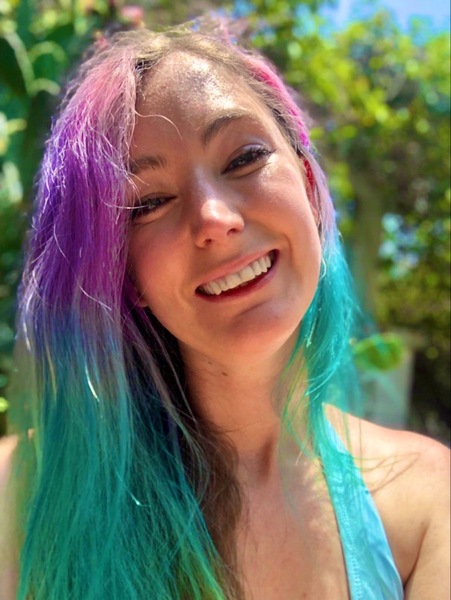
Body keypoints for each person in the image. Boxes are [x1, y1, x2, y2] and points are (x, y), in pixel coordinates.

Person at [0, 20, 449, 600]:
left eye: (244, 158)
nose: (214, 218)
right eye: (150, 203)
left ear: (311, 188)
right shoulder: (18, 498)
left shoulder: (426, 500)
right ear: (121, 273)